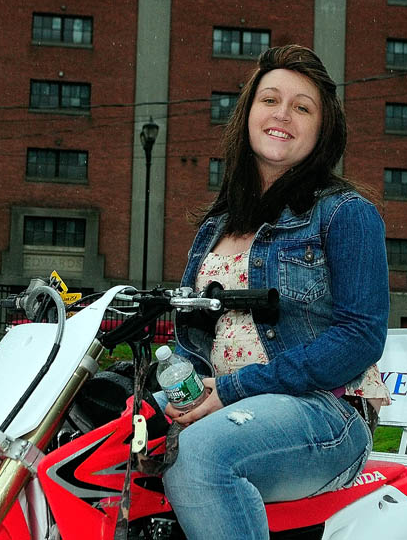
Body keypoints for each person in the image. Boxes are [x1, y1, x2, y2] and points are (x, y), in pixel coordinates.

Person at [162, 44, 391, 540]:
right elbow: (192, 339)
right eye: (270, 99)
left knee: (198, 458)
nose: (282, 113)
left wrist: (230, 391)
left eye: (302, 106)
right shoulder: (216, 227)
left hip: (322, 414)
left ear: (322, 128)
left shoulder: (346, 213)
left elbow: (360, 337)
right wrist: (175, 392)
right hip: (225, 412)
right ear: (248, 113)